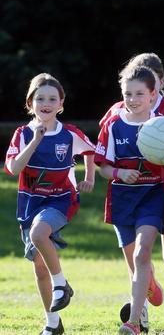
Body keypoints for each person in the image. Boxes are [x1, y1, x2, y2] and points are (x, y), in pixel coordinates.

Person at [95, 65, 164, 334]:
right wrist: (120, 172)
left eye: (139, 93)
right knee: (136, 263)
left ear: (153, 95)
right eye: (128, 93)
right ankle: (148, 287)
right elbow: (103, 167)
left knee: (142, 254)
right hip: (121, 200)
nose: (133, 99)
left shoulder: (163, 125)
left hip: (152, 196)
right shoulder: (113, 125)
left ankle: (135, 322)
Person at [4, 73, 95, 335]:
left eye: (52, 98)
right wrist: (36, 140)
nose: (46, 103)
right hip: (29, 204)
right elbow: (14, 167)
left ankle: (61, 284)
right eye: (40, 98)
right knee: (39, 268)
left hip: (61, 200)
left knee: (38, 232)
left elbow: (90, 150)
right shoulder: (22, 134)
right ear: (30, 103)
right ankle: (53, 324)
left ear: (61, 104)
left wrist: (89, 177)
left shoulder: (69, 134)